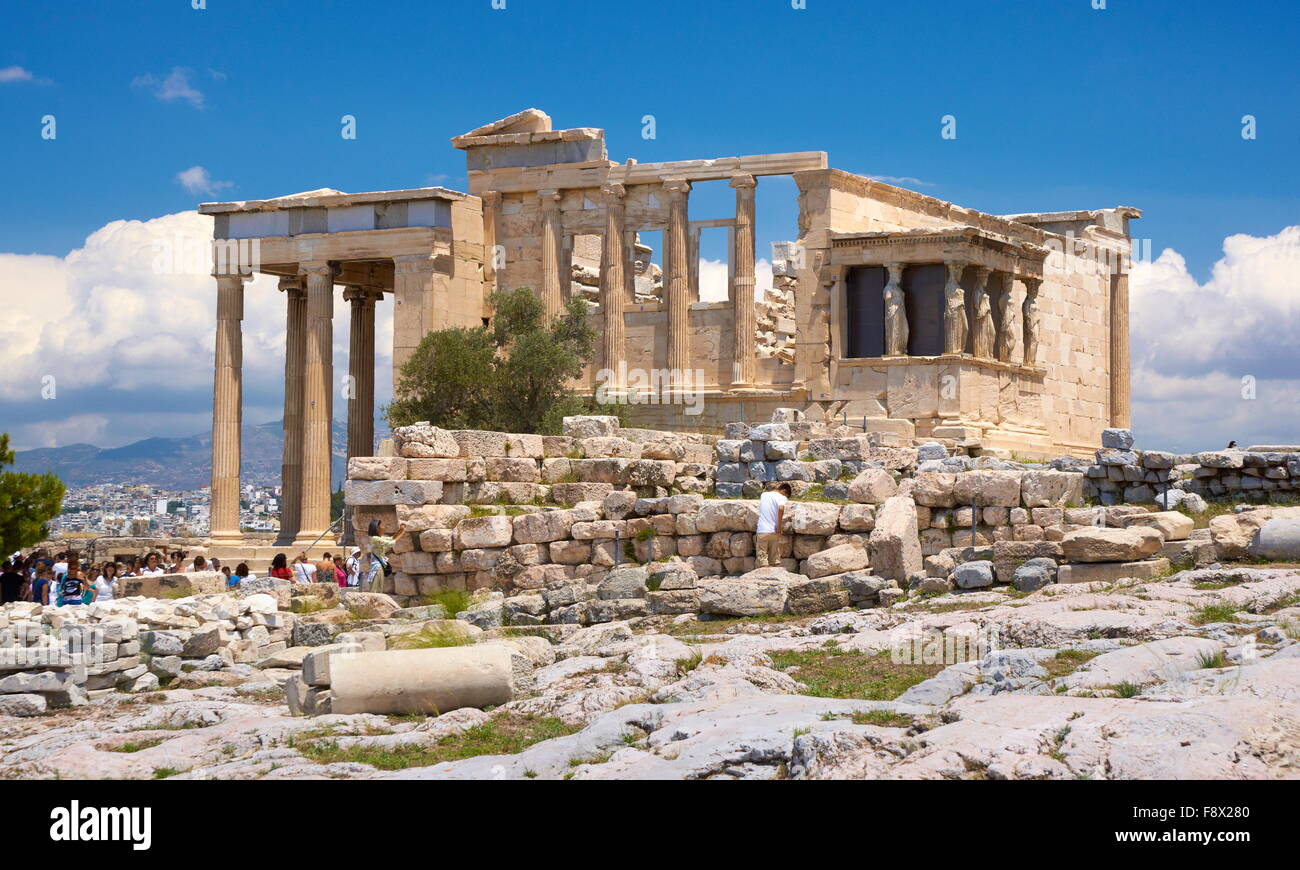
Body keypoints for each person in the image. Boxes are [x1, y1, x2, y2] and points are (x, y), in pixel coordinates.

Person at [755, 482, 792, 569]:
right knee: (775, 558)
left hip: (762, 530)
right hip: (774, 531)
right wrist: (779, 527)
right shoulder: (782, 497)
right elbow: (781, 508)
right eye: (786, 495)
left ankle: (765, 578)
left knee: (762, 558)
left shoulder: (763, 495)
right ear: (784, 491)